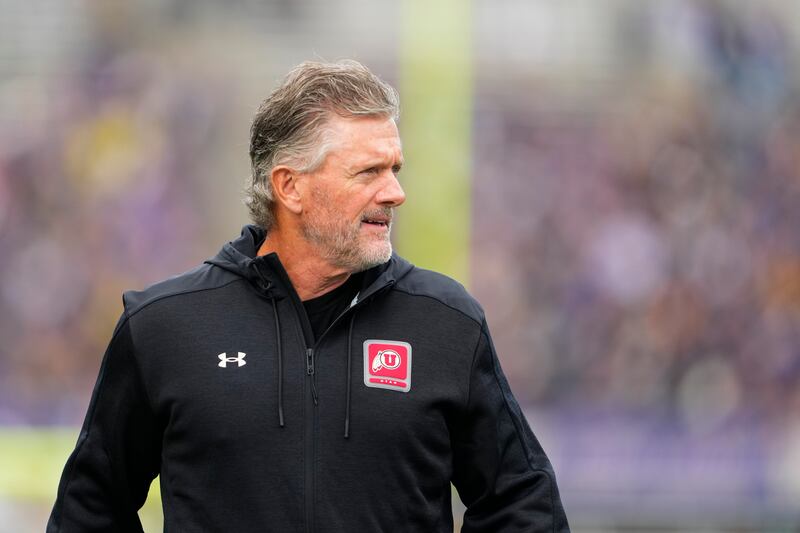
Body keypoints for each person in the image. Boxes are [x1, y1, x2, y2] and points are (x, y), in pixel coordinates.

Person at [48, 60, 570, 532]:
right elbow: (89, 510)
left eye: (394, 169)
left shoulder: (447, 321)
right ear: (290, 187)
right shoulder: (165, 325)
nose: (395, 192)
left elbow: (524, 505)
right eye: (369, 172)